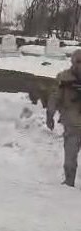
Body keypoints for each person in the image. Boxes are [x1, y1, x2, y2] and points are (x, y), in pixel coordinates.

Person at [46, 49, 81, 187]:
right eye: (78, 62)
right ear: (72, 63)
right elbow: (54, 97)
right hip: (72, 125)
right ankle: (69, 183)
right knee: (70, 160)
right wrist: (50, 114)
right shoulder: (64, 78)